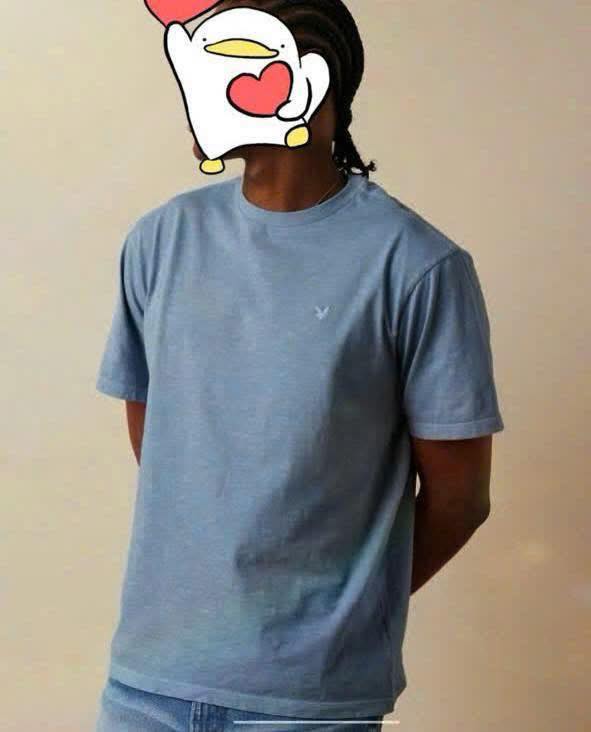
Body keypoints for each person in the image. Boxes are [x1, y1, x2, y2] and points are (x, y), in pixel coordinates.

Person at [93, 1, 505, 730]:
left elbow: (459, 498)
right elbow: (159, 441)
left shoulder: (417, 267)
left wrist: (336, 614)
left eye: (225, 68)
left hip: (310, 706)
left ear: (308, 87)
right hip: (145, 687)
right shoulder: (161, 240)